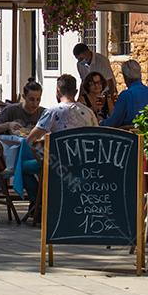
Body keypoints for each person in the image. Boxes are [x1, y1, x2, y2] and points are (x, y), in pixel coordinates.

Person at [18, 75, 98, 205]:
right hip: (84, 165)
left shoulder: (53, 112)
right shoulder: (89, 113)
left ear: (58, 90)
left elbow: (30, 139)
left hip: (58, 166)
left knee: (21, 168)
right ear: (76, 92)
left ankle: (40, 204)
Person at [101, 60, 148, 128]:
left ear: (125, 77)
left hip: (128, 135)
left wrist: (100, 123)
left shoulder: (125, 95)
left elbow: (114, 122)